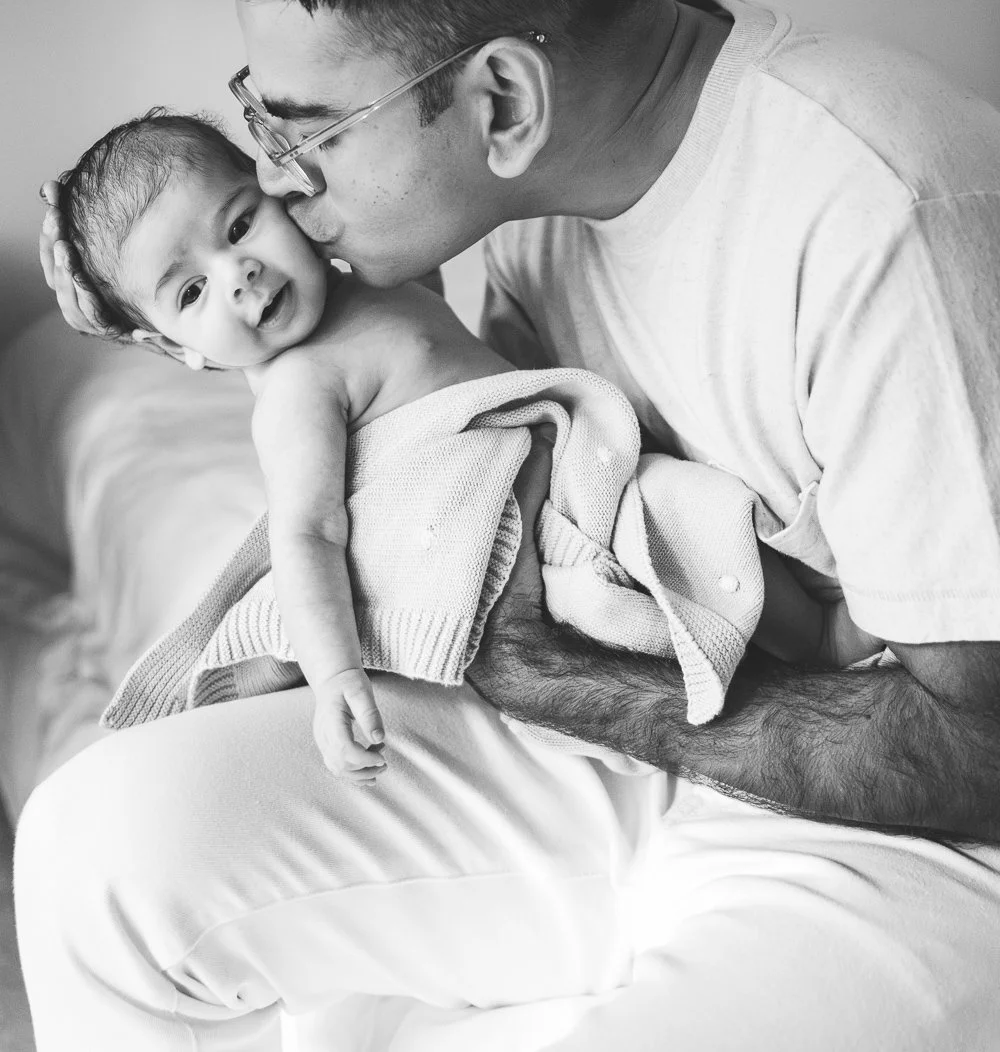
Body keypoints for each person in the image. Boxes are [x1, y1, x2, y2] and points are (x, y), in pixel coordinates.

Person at [21, 0, 1000, 1050]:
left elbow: (981, 748)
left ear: (501, 100)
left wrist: (559, 682)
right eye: (259, 121)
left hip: (913, 821)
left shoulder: (886, 219)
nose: (284, 186)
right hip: (638, 725)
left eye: (304, 136)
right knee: (96, 849)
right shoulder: (532, 198)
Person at [59, 110, 872, 782]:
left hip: (558, 466)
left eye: (240, 224)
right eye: (191, 291)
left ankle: (797, 639)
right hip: (514, 536)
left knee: (693, 507)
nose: (237, 272)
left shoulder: (367, 273)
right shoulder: (296, 390)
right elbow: (309, 532)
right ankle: (814, 645)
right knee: (672, 522)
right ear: (174, 347)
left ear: (281, 190)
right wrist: (336, 674)